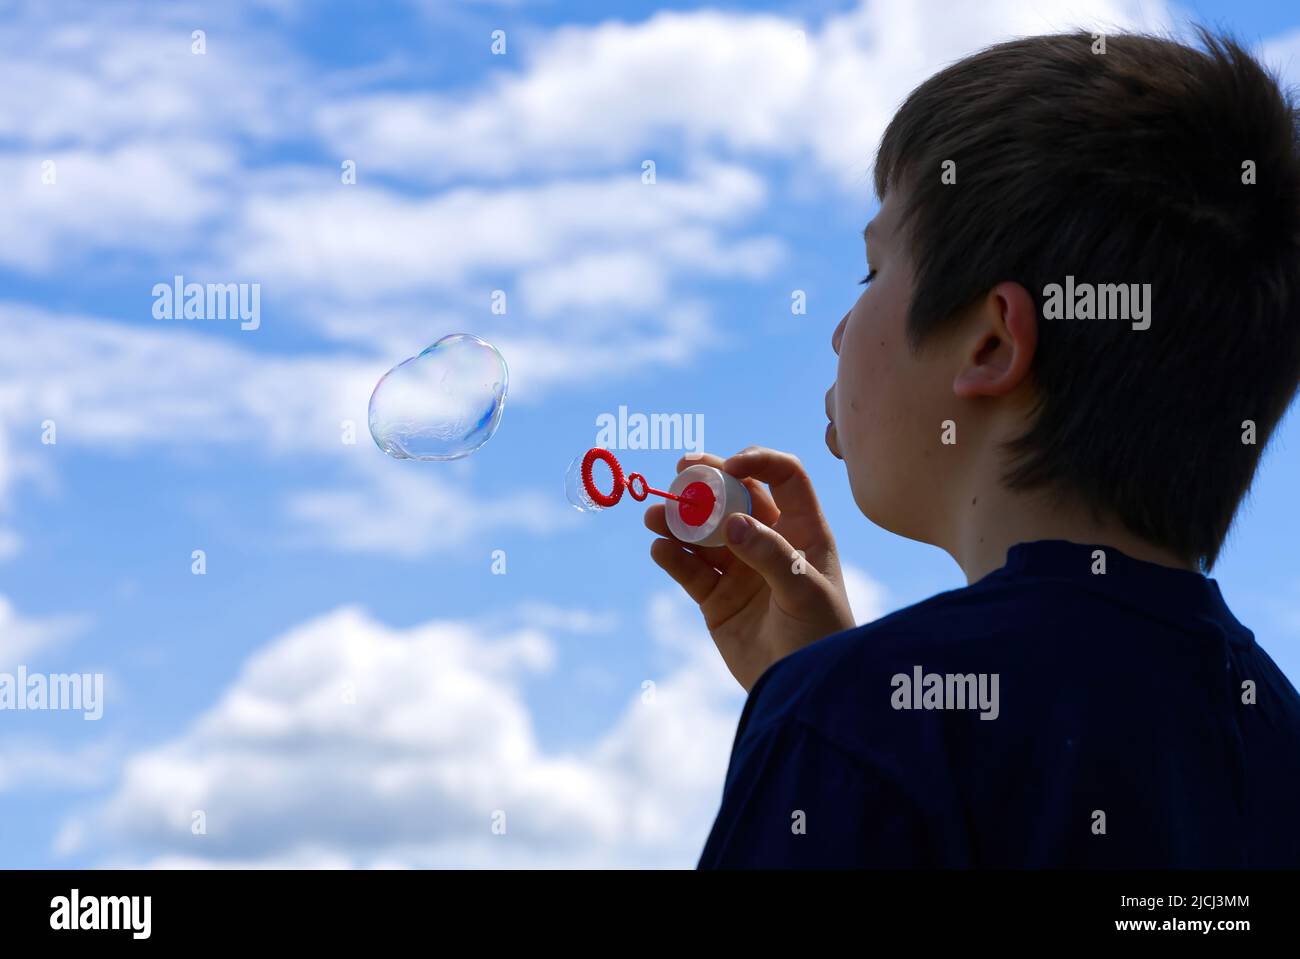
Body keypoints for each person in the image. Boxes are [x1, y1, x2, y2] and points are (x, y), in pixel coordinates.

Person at [644, 28, 1300, 868]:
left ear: (991, 344)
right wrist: (836, 682)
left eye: (871, 274)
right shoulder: (1273, 731)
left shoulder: (848, 728)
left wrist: (836, 715)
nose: (842, 330)